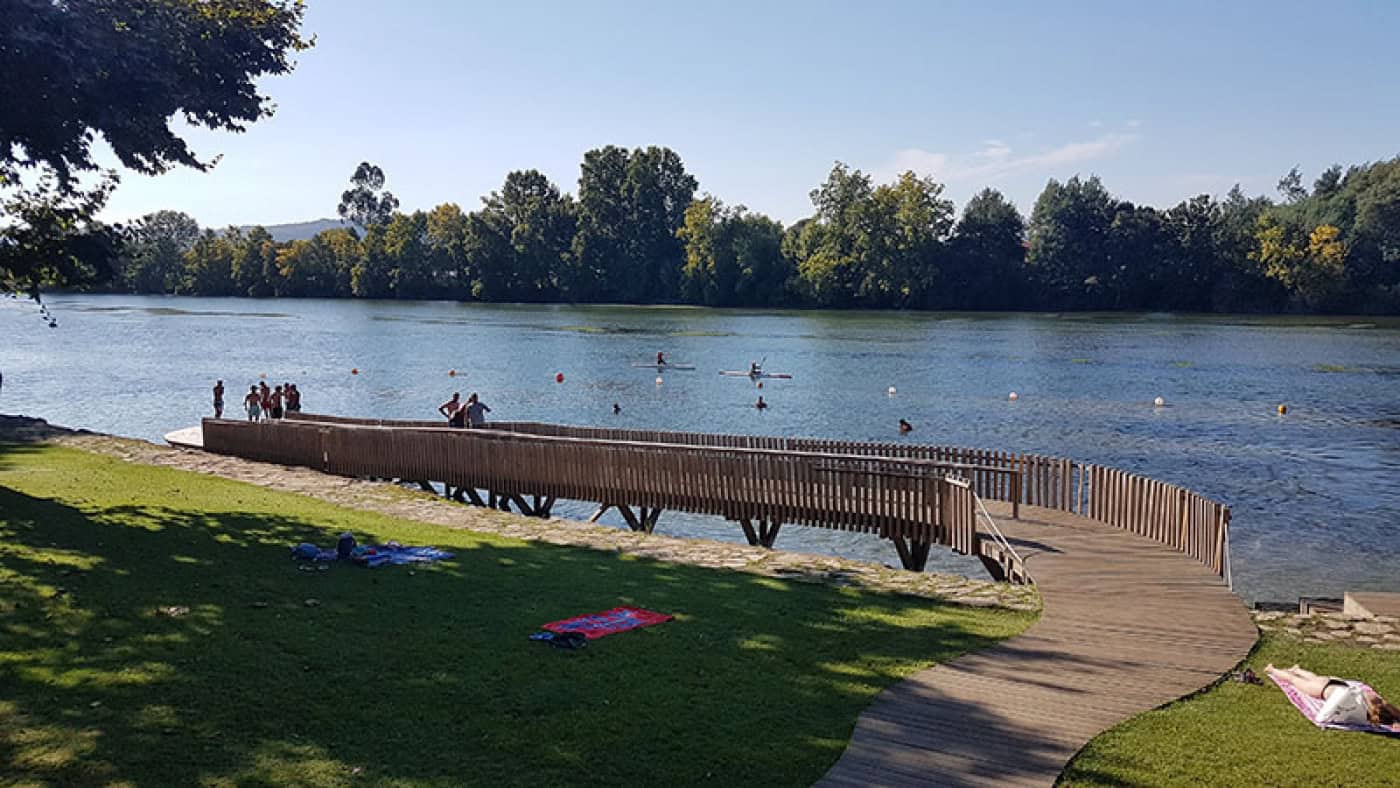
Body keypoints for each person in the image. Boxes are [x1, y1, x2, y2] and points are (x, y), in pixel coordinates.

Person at [1266, 664, 1400, 726]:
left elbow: (1390, 708)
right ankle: (1272, 669)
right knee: (1293, 680)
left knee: (1314, 678)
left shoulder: (1372, 698)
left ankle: (1298, 670)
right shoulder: (1361, 716)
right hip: (1323, 690)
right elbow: (1322, 717)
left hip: (1338, 683)